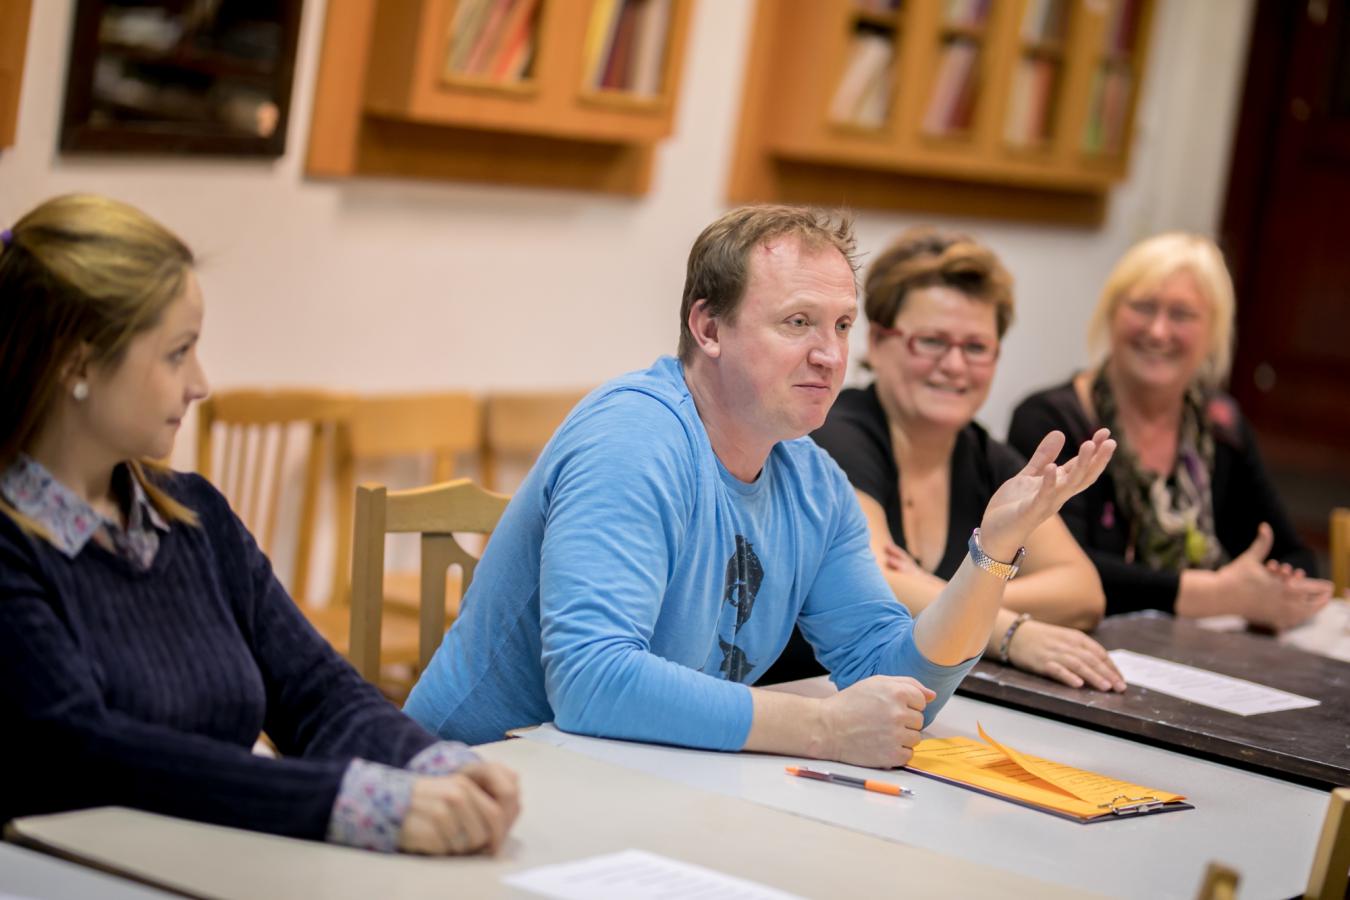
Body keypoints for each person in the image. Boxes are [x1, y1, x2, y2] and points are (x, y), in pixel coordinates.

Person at [405, 205, 1115, 769]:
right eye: (798, 323)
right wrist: (823, 727)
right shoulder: (635, 438)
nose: (830, 355)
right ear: (708, 328)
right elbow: (591, 682)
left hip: (634, 775)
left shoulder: (814, 482)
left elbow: (901, 690)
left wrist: (991, 555)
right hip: (474, 777)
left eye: (842, 325)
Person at [0, 195, 519, 855]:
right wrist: (352, 805)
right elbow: (88, 754)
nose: (200, 383)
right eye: (177, 353)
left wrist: (435, 766)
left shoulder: (197, 517)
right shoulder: (12, 547)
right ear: (77, 364)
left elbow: (316, 691)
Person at [761, 227, 1124, 692]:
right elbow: (875, 584)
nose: (954, 365)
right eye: (932, 341)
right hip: (802, 695)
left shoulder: (984, 455)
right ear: (880, 342)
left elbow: (1082, 591)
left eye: (975, 347)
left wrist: (947, 592)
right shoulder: (837, 434)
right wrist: (1010, 631)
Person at [1008, 232, 1332, 629]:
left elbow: (1293, 554)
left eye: (1181, 315)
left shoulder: (1220, 425)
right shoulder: (1050, 421)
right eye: (1143, 307)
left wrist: (1278, 586)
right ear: (1111, 313)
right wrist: (1213, 595)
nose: (1158, 331)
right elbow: (1058, 571)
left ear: (1213, 330)